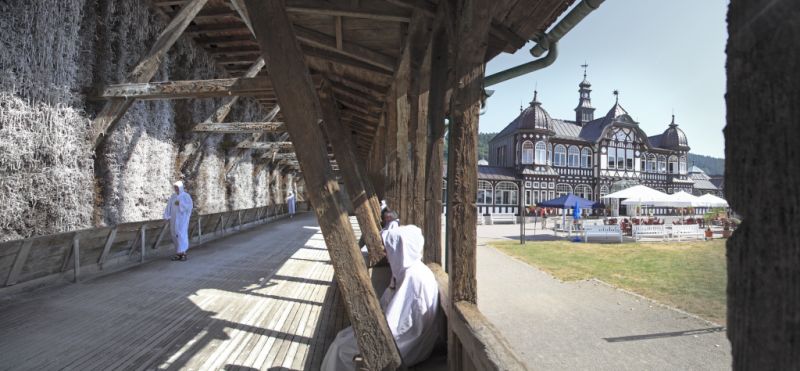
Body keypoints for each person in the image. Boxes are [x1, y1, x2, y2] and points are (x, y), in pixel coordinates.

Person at [321, 225, 439, 370]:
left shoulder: (413, 278)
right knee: (343, 337)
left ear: (401, 250)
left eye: (389, 249)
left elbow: (401, 326)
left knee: (341, 348)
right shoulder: (407, 272)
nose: (387, 255)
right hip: (402, 336)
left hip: (407, 344)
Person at [163, 180, 193, 261]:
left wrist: (180, 204)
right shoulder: (173, 196)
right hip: (174, 219)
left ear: (180, 187)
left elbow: (189, 206)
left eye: (177, 187)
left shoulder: (186, 196)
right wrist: (166, 216)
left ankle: (183, 253)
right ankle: (178, 253)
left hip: (182, 219)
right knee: (174, 235)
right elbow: (168, 206)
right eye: (175, 187)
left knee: (181, 235)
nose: (176, 189)